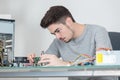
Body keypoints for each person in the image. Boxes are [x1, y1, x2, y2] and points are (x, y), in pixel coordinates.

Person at [28, 5, 117, 80]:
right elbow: (45, 61)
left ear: (69, 22)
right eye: (53, 34)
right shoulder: (58, 41)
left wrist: (66, 64)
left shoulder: (98, 31)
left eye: (58, 30)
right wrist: (34, 60)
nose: (57, 37)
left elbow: (103, 64)